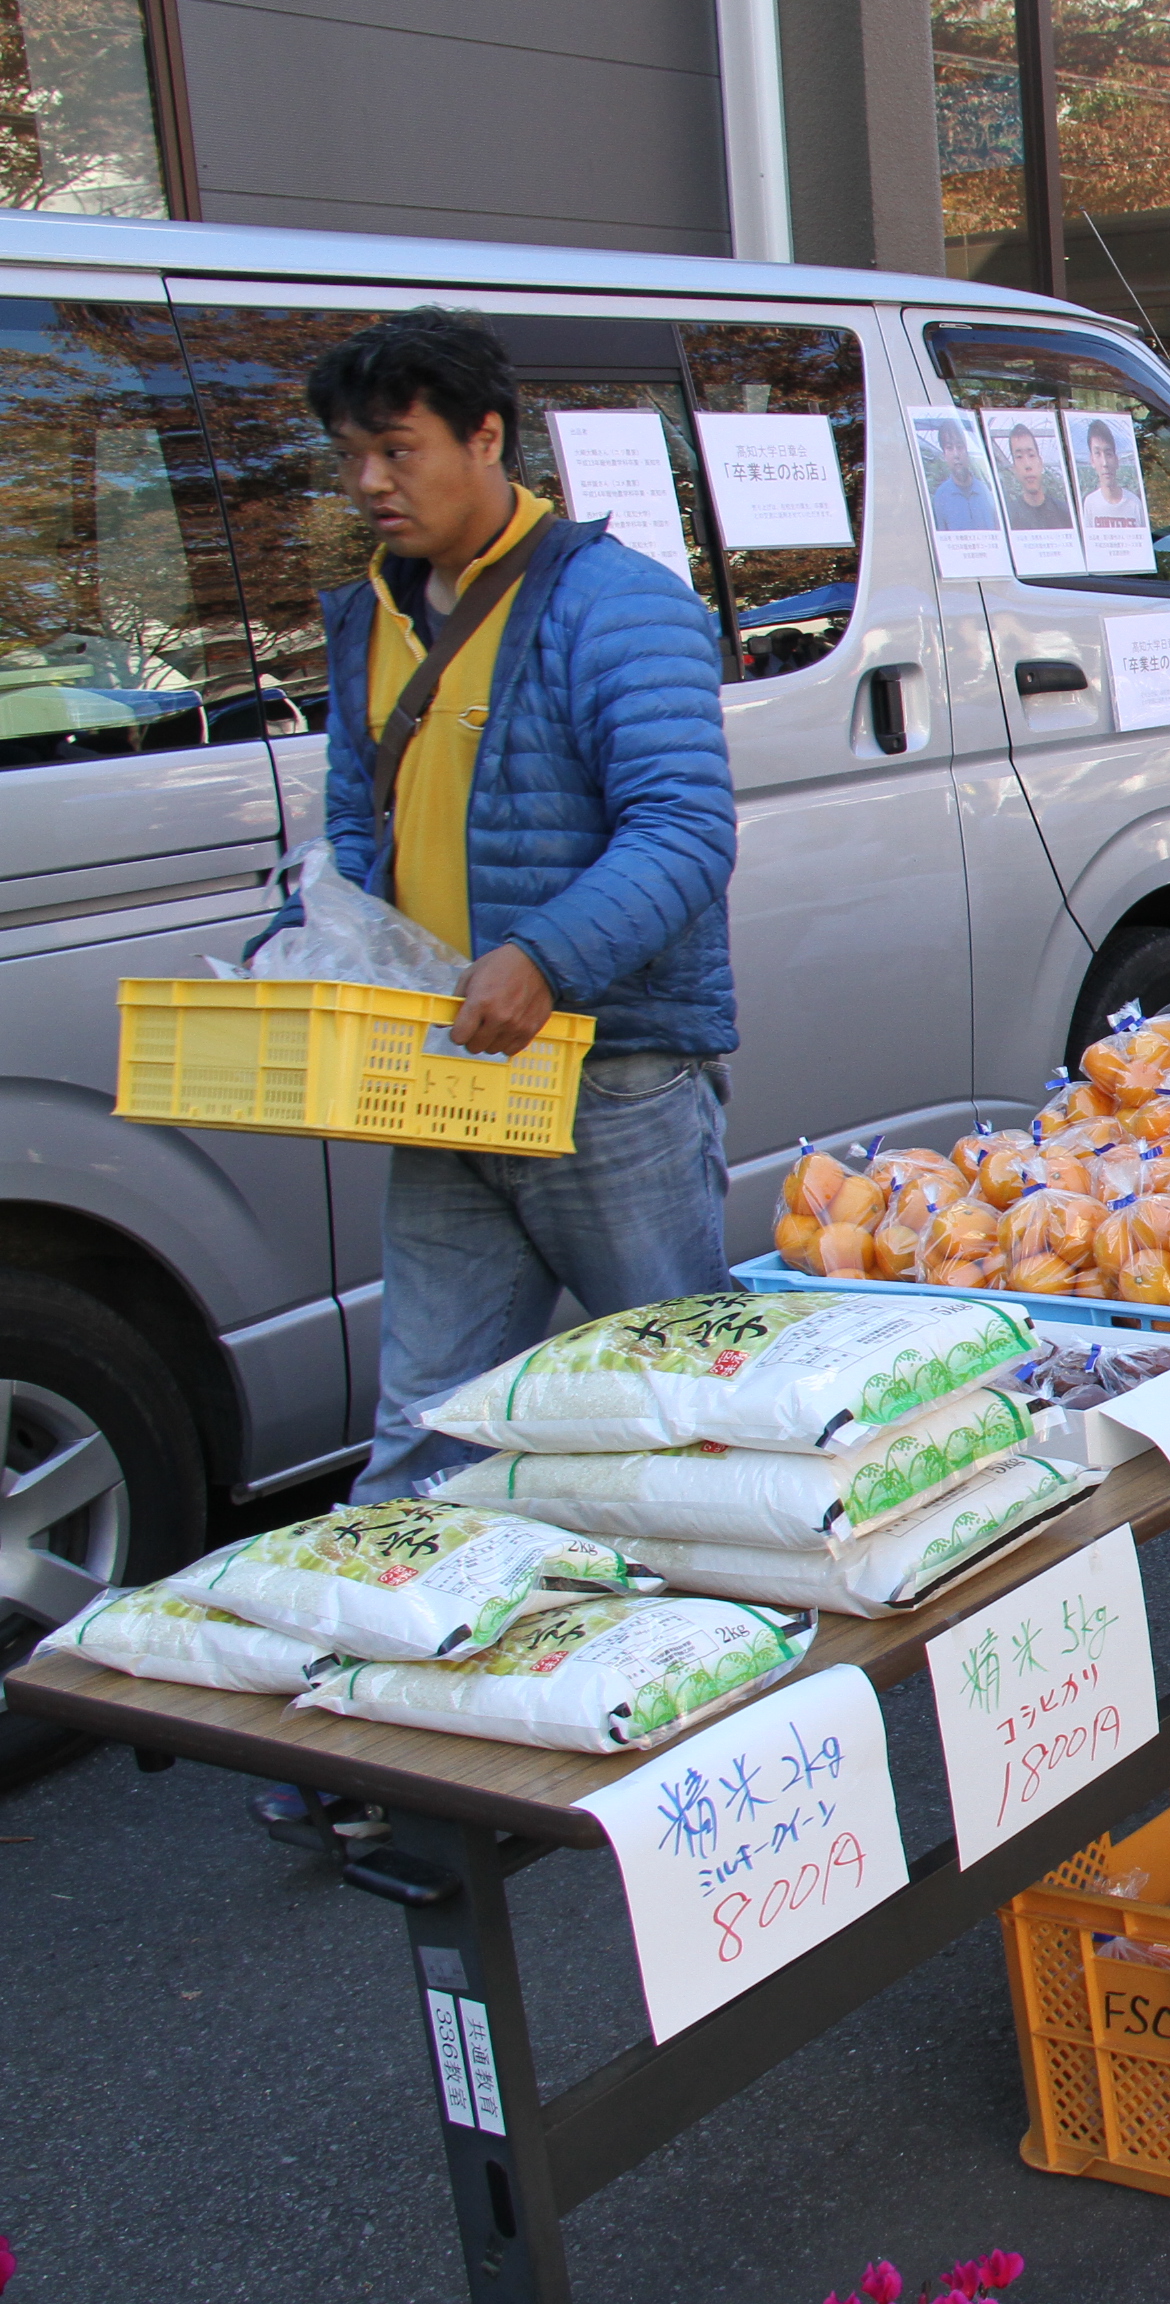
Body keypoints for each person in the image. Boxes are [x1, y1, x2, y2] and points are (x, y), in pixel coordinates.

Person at [240, 311, 732, 1823]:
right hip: (437, 1073)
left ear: (485, 442)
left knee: (677, 1410)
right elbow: (350, 834)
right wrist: (305, 935)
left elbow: (684, 831)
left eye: (398, 450)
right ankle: (369, 1734)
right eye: (353, 459)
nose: (374, 483)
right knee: (431, 1418)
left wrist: (546, 957)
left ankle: (730, 1692)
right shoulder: (367, 618)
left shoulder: (615, 606)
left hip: (614, 1071)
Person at [996, 420, 1075, 532]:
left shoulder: (1064, 512)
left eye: (1031, 455)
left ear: (1040, 462)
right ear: (1013, 468)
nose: (1027, 465)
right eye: (1019, 457)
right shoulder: (1007, 518)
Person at [920, 418, 997, 533]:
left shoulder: (986, 492)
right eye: (950, 448)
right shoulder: (940, 497)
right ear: (944, 455)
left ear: (967, 451)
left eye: (960, 447)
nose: (956, 454)